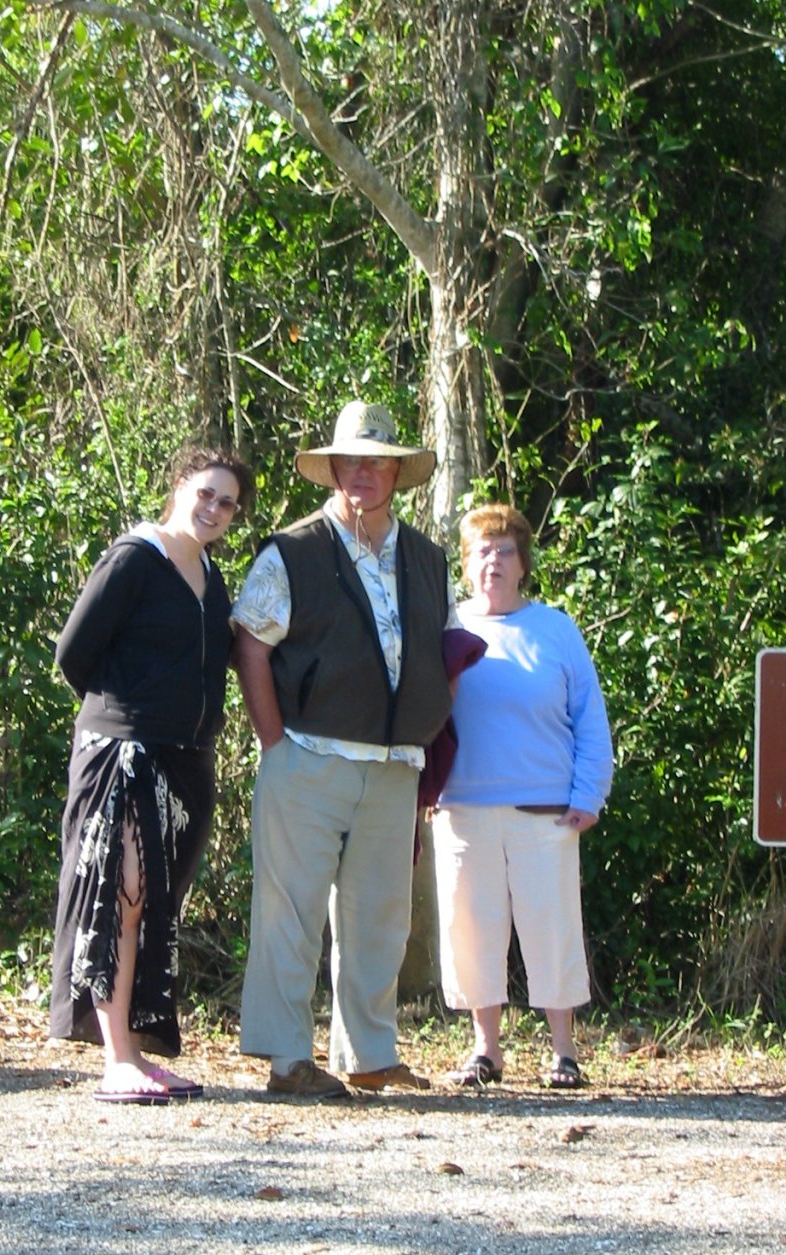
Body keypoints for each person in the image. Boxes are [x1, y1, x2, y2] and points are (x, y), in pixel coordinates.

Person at [232, 399, 458, 1098]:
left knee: (380, 919)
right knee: (289, 911)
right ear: (332, 469)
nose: (363, 472)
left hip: (393, 767)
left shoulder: (427, 557)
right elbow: (251, 644)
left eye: (378, 462)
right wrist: (278, 747)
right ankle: (287, 1059)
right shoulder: (292, 550)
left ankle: (369, 1054)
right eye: (351, 460)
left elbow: (444, 652)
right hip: (308, 755)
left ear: (397, 474)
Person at [50, 447, 254, 1105]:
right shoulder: (136, 558)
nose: (214, 509)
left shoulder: (211, 576)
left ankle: (135, 1052)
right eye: (206, 493)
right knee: (124, 897)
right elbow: (73, 653)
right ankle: (115, 1059)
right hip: (125, 754)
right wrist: (125, 711)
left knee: (153, 905)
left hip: (185, 762)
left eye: (227, 503)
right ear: (178, 486)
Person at [430, 504, 613, 1090]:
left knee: (551, 926)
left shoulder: (556, 629)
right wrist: (420, 789)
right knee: (472, 929)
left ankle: (564, 1051)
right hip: (461, 808)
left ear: (523, 563)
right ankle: (486, 1050)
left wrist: (589, 792)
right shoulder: (447, 630)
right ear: (466, 563)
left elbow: (590, 719)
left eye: (505, 550)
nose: (494, 561)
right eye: (482, 550)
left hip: (546, 810)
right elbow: (421, 718)